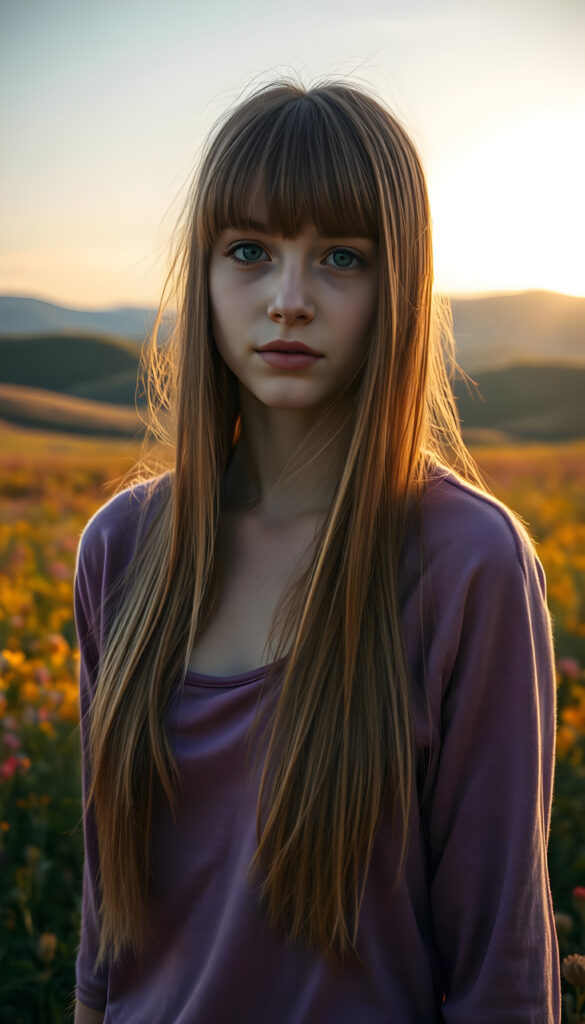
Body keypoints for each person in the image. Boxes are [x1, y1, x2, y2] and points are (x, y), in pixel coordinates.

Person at [73, 78, 560, 1023]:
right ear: (203, 274)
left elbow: (500, 963)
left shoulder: (466, 561)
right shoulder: (122, 548)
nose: (288, 301)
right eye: (249, 251)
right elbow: (106, 929)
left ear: (397, 286)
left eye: (341, 257)